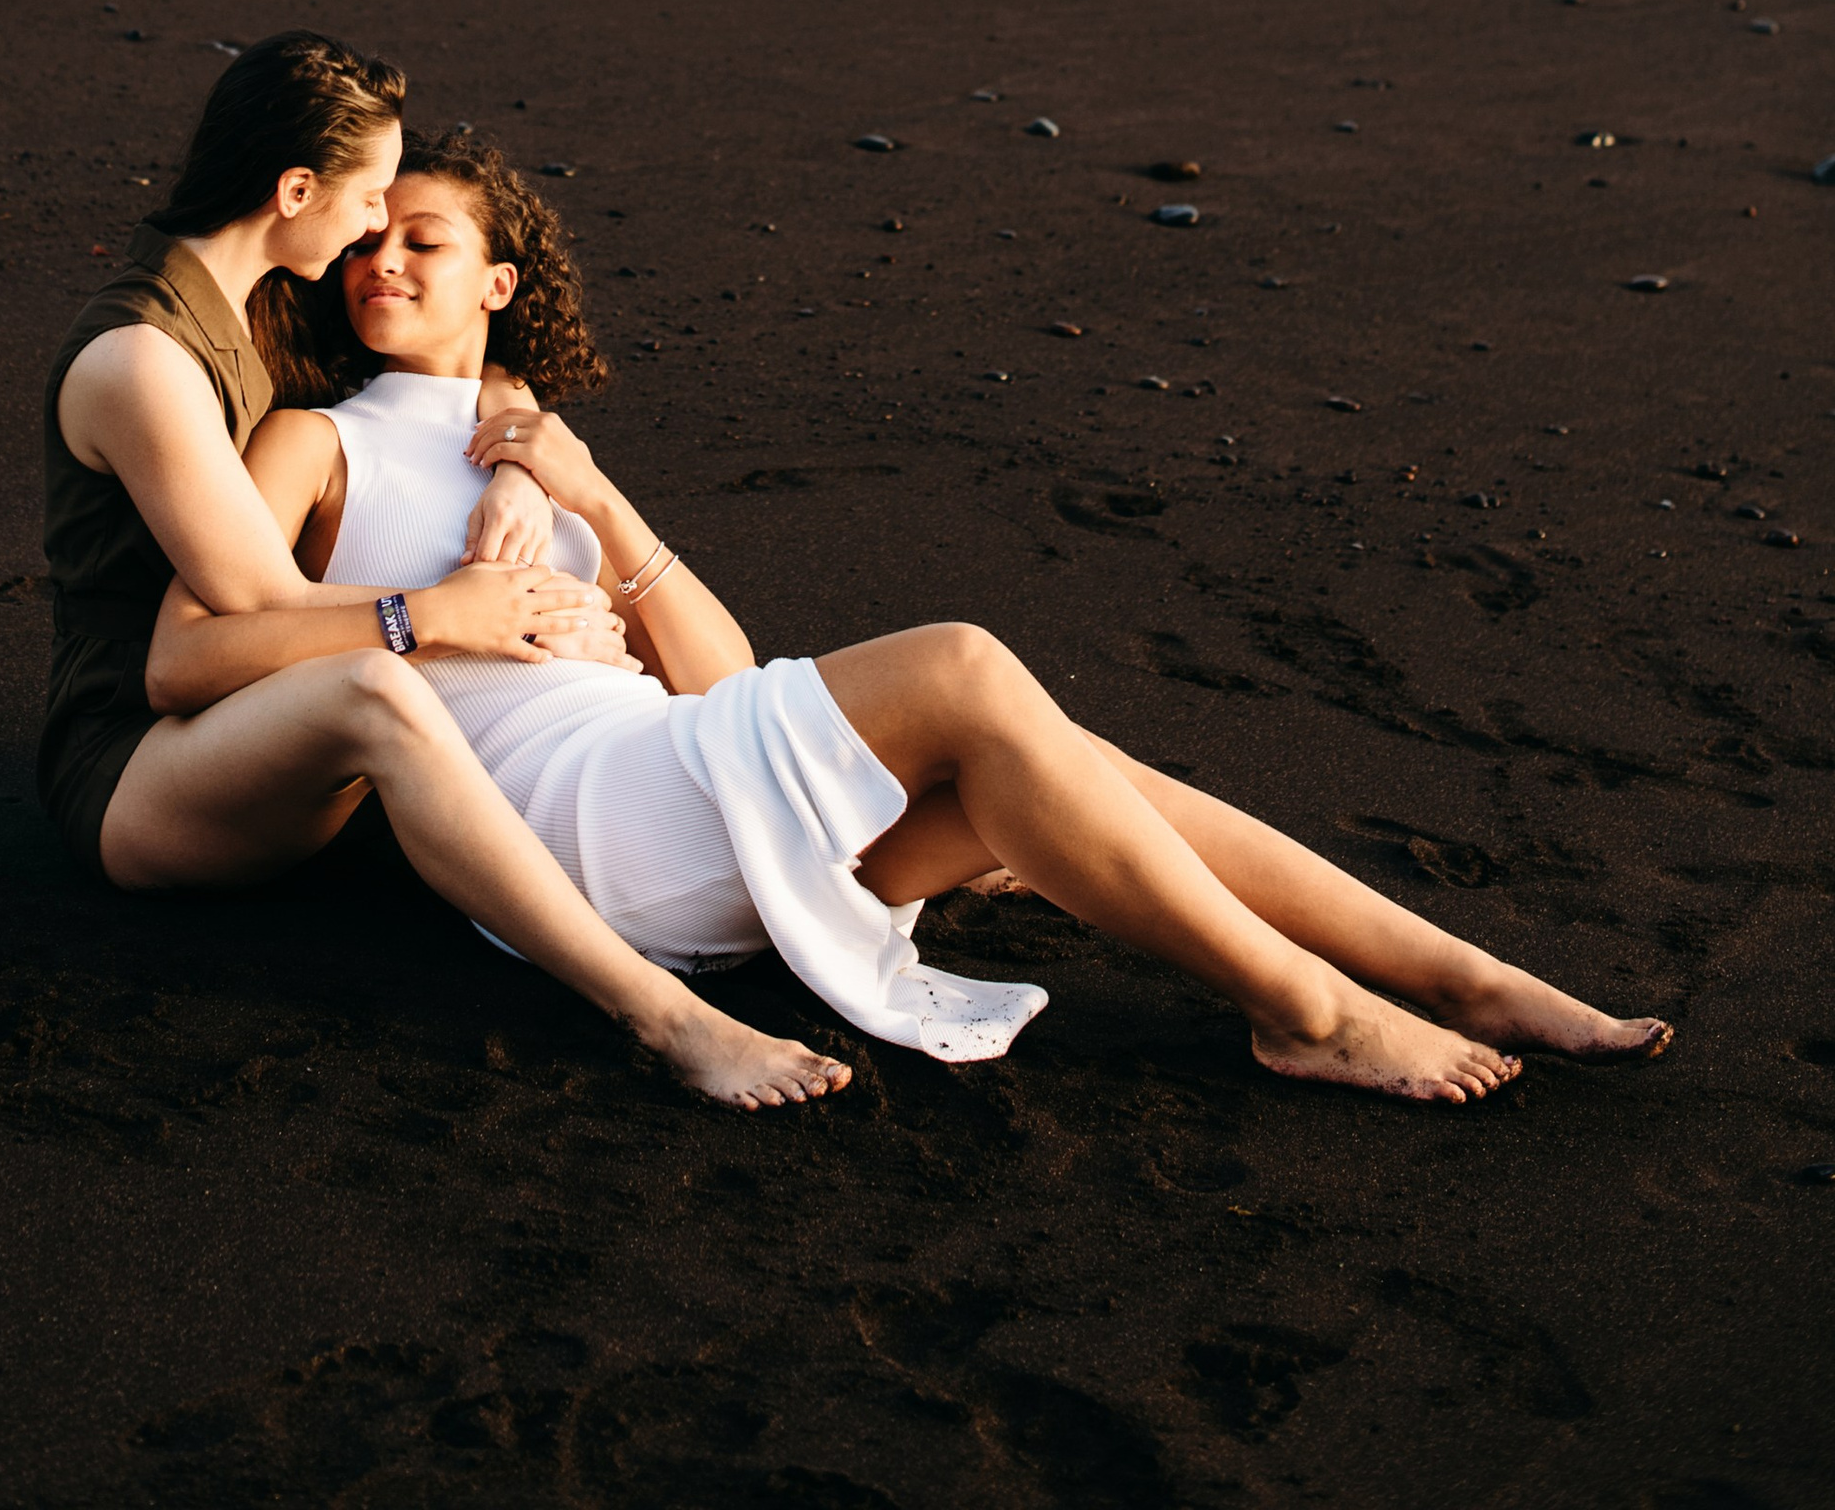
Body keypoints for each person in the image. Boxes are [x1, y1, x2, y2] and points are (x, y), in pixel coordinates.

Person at [153, 129, 1676, 1105]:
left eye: (422, 240)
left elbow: (720, 682)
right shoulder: (312, 439)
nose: (383, 260)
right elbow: (197, 654)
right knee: (961, 667)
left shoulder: (532, 444)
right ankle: (1303, 1010)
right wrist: (438, 615)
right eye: (371, 240)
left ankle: (1461, 974)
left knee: (1075, 770)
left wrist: (596, 499)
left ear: (498, 283)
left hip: (680, 785)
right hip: (570, 826)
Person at [40, 32, 852, 1110]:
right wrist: (468, 612)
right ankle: (665, 1016)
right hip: (138, 765)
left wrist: (516, 451)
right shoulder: (145, 359)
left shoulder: (250, 310)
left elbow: (454, 360)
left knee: (397, 679)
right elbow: (253, 603)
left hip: (259, 743)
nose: (375, 231)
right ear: (296, 191)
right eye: (370, 198)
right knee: (378, 684)